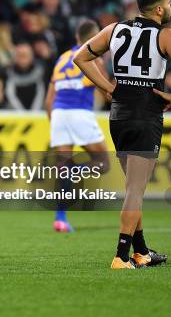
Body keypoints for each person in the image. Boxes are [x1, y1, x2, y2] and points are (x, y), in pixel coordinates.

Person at [74, 0, 171, 269]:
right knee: (135, 190)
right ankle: (121, 255)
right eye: (168, 3)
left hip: (118, 115)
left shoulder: (115, 29)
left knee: (133, 187)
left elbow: (82, 57)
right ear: (157, 9)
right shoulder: (166, 35)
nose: (170, 7)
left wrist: (108, 87)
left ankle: (141, 251)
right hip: (146, 114)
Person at [44, 19, 110, 233]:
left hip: (59, 114)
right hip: (79, 112)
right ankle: (75, 170)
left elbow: (48, 100)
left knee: (62, 168)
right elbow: (108, 93)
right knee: (103, 163)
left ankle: (60, 218)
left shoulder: (62, 58)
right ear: (94, 38)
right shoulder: (93, 58)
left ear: (76, 37)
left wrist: (55, 123)